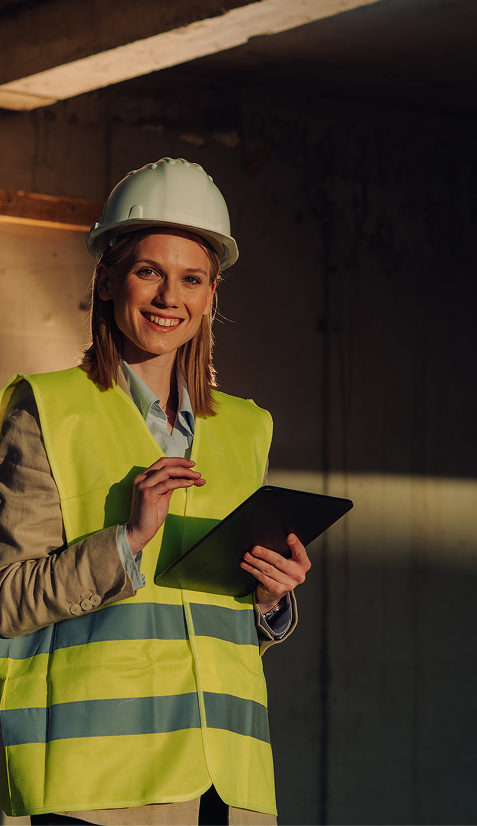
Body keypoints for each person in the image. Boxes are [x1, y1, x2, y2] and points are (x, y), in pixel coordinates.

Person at [0, 158, 311, 826]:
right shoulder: (46, 410)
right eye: (149, 271)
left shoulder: (245, 429)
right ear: (108, 279)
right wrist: (126, 542)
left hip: (225, 786)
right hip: (93, 789)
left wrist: (267, 601)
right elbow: (4, 598)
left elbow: (195, 626)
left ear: (210, 295)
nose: (170, 297)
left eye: (190, 279)